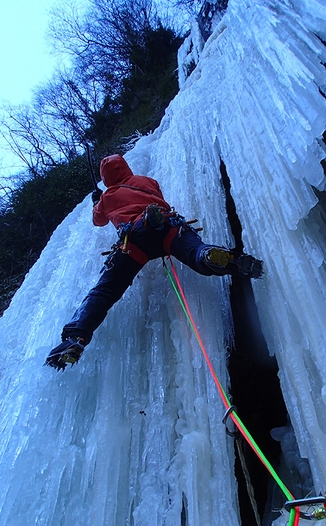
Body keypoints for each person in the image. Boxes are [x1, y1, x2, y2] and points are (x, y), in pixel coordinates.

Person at [46, 154, 263, 370]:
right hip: (168, 226)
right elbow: (157, 194)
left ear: (105, 178)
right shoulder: (146, 181)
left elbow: (98, 220)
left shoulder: (107, 197)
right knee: (194, 251)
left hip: (135, 240)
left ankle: (75, 338)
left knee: (104, 291)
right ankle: (208, 255)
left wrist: (97, 200)